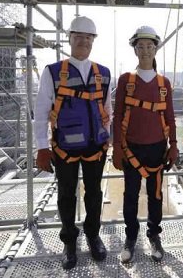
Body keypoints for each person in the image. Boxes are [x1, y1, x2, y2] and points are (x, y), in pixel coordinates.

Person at [34, 16, 112, 270]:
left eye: (88, 38)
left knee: (94, 194)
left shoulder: (103, 73)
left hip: (95, 147)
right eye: (78, 37)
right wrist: (42, 147)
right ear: (70, 38)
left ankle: (93, 234)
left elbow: (107, 109)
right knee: (66, 195)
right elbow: (42, 110)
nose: (83, 42)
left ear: (93, 41)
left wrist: (106, 137)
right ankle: (69, 241)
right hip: (64, 148)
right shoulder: (53, 72)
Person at [112, 26, 178, 263]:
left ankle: (154, 236)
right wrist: (117, 146)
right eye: (141, 46)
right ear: (135, 49)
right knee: (130, 194)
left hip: (157, 148)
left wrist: (174, 144)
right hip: (132, 148)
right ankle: (131, 238)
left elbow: (169, 115)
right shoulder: (126, 81)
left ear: (155, 48)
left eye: (150, 46)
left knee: (156, 195)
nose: (145, 50)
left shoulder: (163, 83)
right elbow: (117, 114)